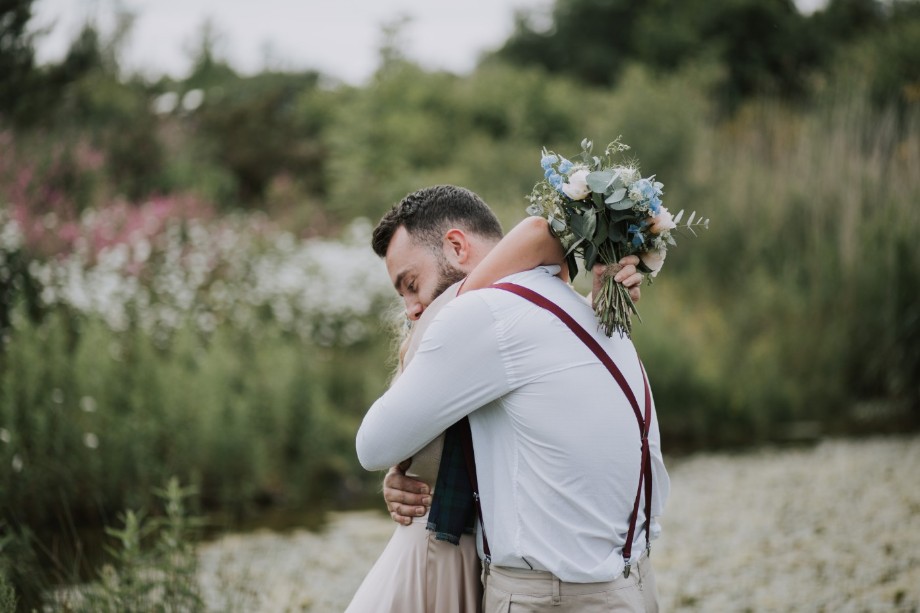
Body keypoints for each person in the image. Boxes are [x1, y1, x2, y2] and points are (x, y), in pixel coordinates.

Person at [354, 185, 669, 611]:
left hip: (548, 598)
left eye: (411, 284)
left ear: (456, 246)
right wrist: (416, 469)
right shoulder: (579, 308)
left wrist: (398, 461)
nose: (412, 308)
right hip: (634, 584)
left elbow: (371, 444)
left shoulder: (485, 315)